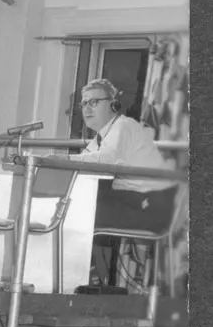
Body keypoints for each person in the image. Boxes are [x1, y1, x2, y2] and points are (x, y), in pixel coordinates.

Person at [74, 78, 175, 285]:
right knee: (77, 205)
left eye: (94, 102)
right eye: (83, 103)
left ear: (113, 105)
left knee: (80, 212)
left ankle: (88, 278)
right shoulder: (105, 134)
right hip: (135, 200)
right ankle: (89, 277)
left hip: (151, 207)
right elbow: (87, 159)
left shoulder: (124, 126)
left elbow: (103, 160)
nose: (86, 109)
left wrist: (55, 160)